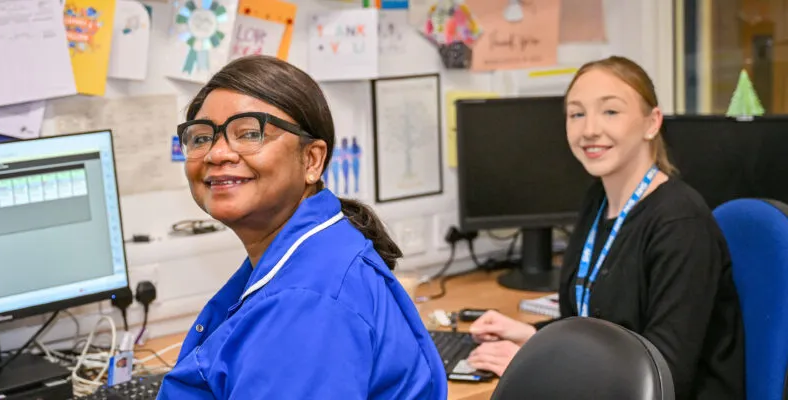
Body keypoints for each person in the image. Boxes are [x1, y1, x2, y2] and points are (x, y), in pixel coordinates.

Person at [156, 55, 447, 399]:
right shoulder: (311, 255)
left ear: (311, 160)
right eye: (202, 137)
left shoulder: (308, 302)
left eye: (249, 133)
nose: (217, 154)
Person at [466, 56, 745, 400]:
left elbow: (665, 375)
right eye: (576, 113)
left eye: (610, 112)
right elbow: (597, 329)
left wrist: (535, 363)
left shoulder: (680, 223)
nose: (589, 130)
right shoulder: (597, 201)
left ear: (651, 122)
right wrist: (532, 335)